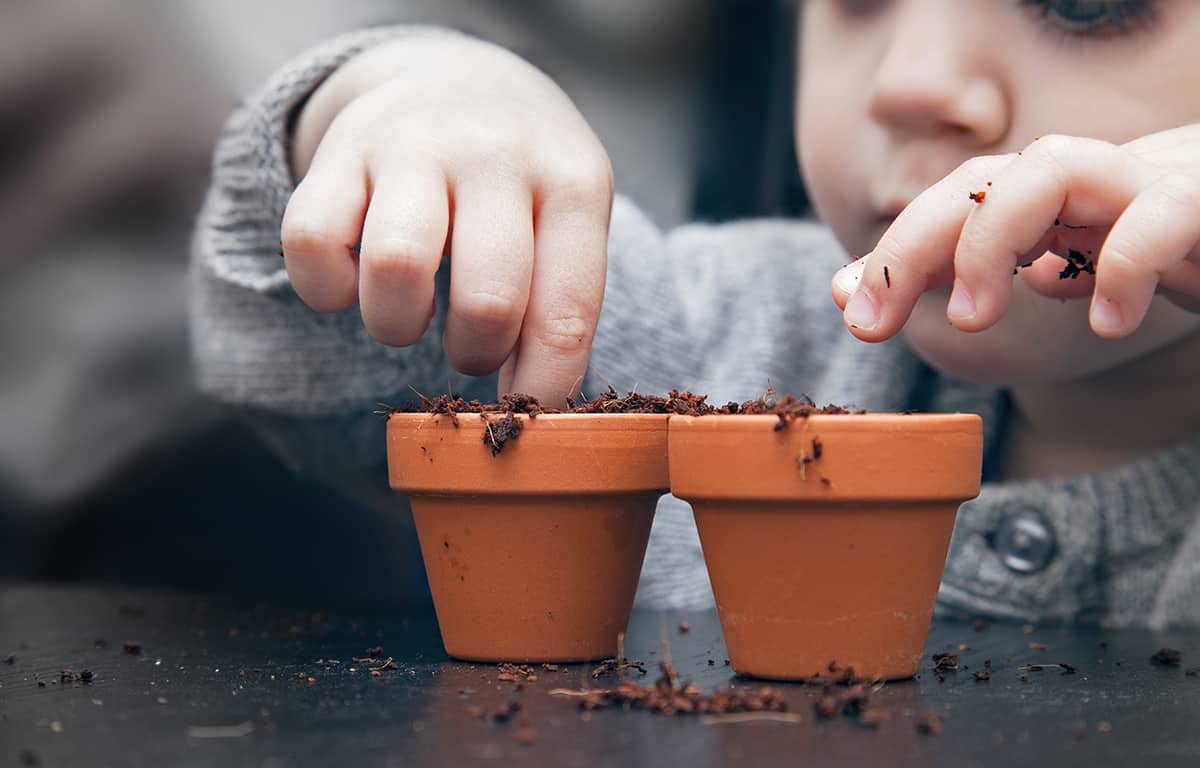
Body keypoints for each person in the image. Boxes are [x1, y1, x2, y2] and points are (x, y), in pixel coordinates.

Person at [191, 0, 1200, 626]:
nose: (907, 83)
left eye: (1084, 3)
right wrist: (403, 97)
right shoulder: (726, 336)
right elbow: (314, 355)